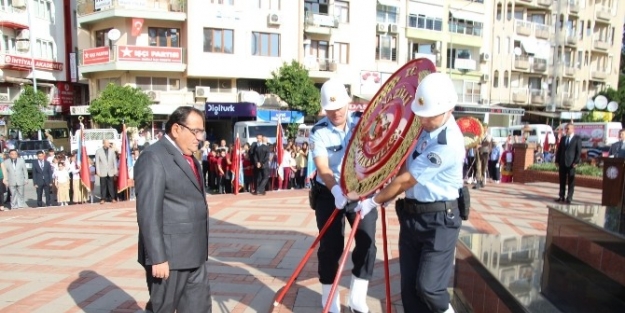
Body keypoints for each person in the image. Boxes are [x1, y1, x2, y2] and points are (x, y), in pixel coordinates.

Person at [356, 73, 464, 313]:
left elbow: (406, 180)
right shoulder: (426, 128)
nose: (422, 120)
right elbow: (406, 163)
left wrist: (375, 201)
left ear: (448, 109)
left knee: (429, 287)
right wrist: (387, 190)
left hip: (440, 221)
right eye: (421, 115)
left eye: (429, 116)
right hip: (413, 216)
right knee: (409, 291)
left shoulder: (448, 144)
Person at [134, 106, 212, 312]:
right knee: (164, 309)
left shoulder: (190, 158)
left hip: (195, 253)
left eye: (201, 132)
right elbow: (148, 213)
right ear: (176, 129)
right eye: (195, 131)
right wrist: (157, 257)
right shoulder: (154, 157)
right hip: (169, 259)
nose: (199, 138)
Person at [309, 78, 376, 313]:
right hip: (330, 193)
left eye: (339, 107)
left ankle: (358, 296)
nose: (335, 113)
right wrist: (336, 189)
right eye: (330, 109)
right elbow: (323, 167)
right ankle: (330, 298)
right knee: (330, 246)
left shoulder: (363, 123)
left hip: (361, 192)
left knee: (367, 243)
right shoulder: (318, 132)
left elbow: (376, 154)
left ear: (348, 104)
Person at [555, 123, 582, 204]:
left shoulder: (577, 139)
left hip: (571, 164)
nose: (566, 130)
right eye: (565, 129)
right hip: (562, 163)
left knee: (571, 181)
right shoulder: (563, 138)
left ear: (573, 129)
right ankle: (561, 196)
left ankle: (569, 197)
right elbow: (559, 150)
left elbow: (578, 151)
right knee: (562, 180)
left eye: (568, 129)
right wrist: (557, 160)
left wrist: (576, 161)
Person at [95, 139, 118, 204]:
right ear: (104, 143)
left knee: (111, 185)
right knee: (103, 185)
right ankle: (103, 198)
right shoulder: (98, 151)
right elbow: (97, 162)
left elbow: (114, 161)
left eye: (109, 143)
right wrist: (97, 171)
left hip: (110, 170)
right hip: (102, 171)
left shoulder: (112, 151)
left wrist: (115, 170)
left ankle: (112, 198)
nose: (108, 144)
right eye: (107, 143)